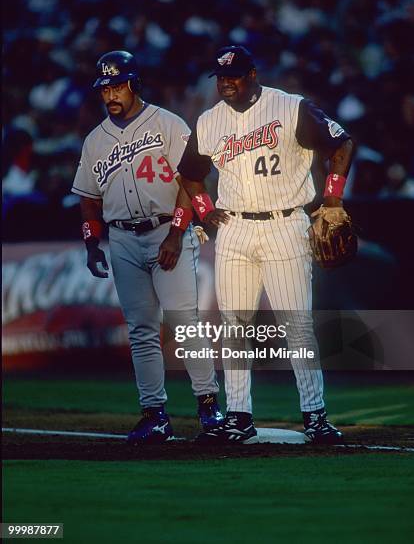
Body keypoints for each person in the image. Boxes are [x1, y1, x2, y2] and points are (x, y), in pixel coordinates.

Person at [178, 45, 355, 443]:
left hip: (285, 223)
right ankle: (239, 416)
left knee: (297, 324)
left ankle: (315, 415)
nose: (226, 83)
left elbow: (341, 144)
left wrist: (331, 198)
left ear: (253, 74)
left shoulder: (290, 107)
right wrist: (205, 211)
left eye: (234, 75)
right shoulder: (208, 122)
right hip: (235, 229)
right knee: (234, 324)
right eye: (221, 77)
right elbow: (189, 175)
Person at [71, 50, 223, 443]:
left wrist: (175, 234)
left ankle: (209, 405)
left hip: (164, 230)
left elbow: (191, 183)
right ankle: (154, 413)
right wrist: (92, 244)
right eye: (105, 88)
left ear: (134, 83)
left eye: (118, 85)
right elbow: (88, 198)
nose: (111, 94)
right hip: (121, 237)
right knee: (141, 330)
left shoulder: (167, 123)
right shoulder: (95, 141)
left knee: (184, 323)